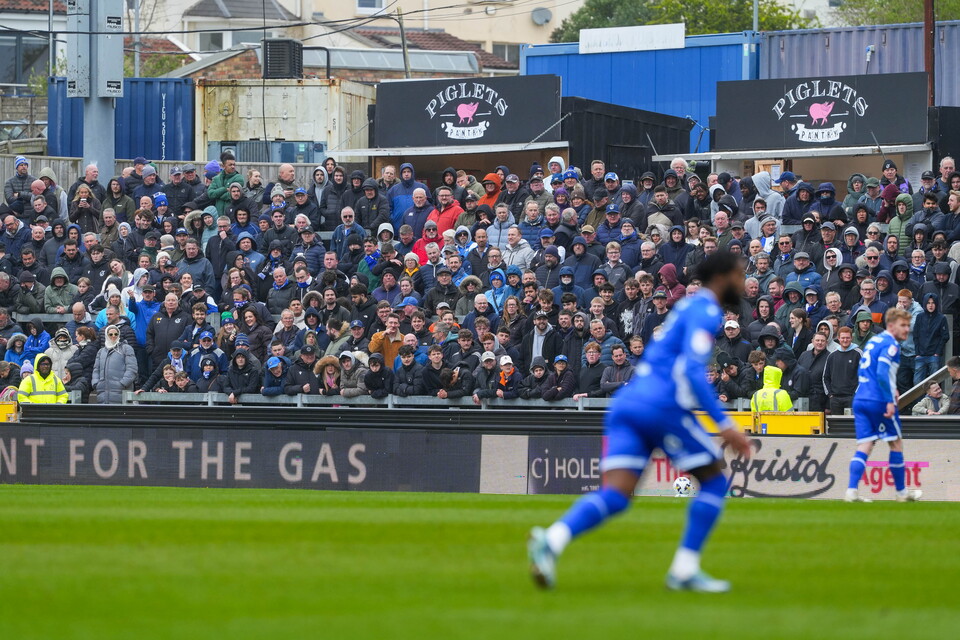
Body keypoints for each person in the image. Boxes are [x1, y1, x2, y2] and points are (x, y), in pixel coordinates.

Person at [528, 251, 752, 592]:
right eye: (739, 274)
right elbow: (692, 370)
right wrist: (724, 424)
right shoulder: (706, 310)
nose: (743, 281)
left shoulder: (685, 309)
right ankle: (684, 569)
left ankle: (552, 539)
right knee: (713, 482)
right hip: (662, 406)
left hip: (628, 403)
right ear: (722, 276)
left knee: (616, 495)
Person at [845, 308, 922, 503]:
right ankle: (901, 492)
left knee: (865, 444)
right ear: (891, 326)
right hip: (878, 400)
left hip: (860, 399)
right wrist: (889, 399)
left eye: (908, 325)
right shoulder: (891, 345)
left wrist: (892, 387)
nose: (907, 330)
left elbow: (871, 370)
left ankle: (851, 491)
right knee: (895, 442)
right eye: (903, 325)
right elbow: (881, 372)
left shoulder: (873, 341)